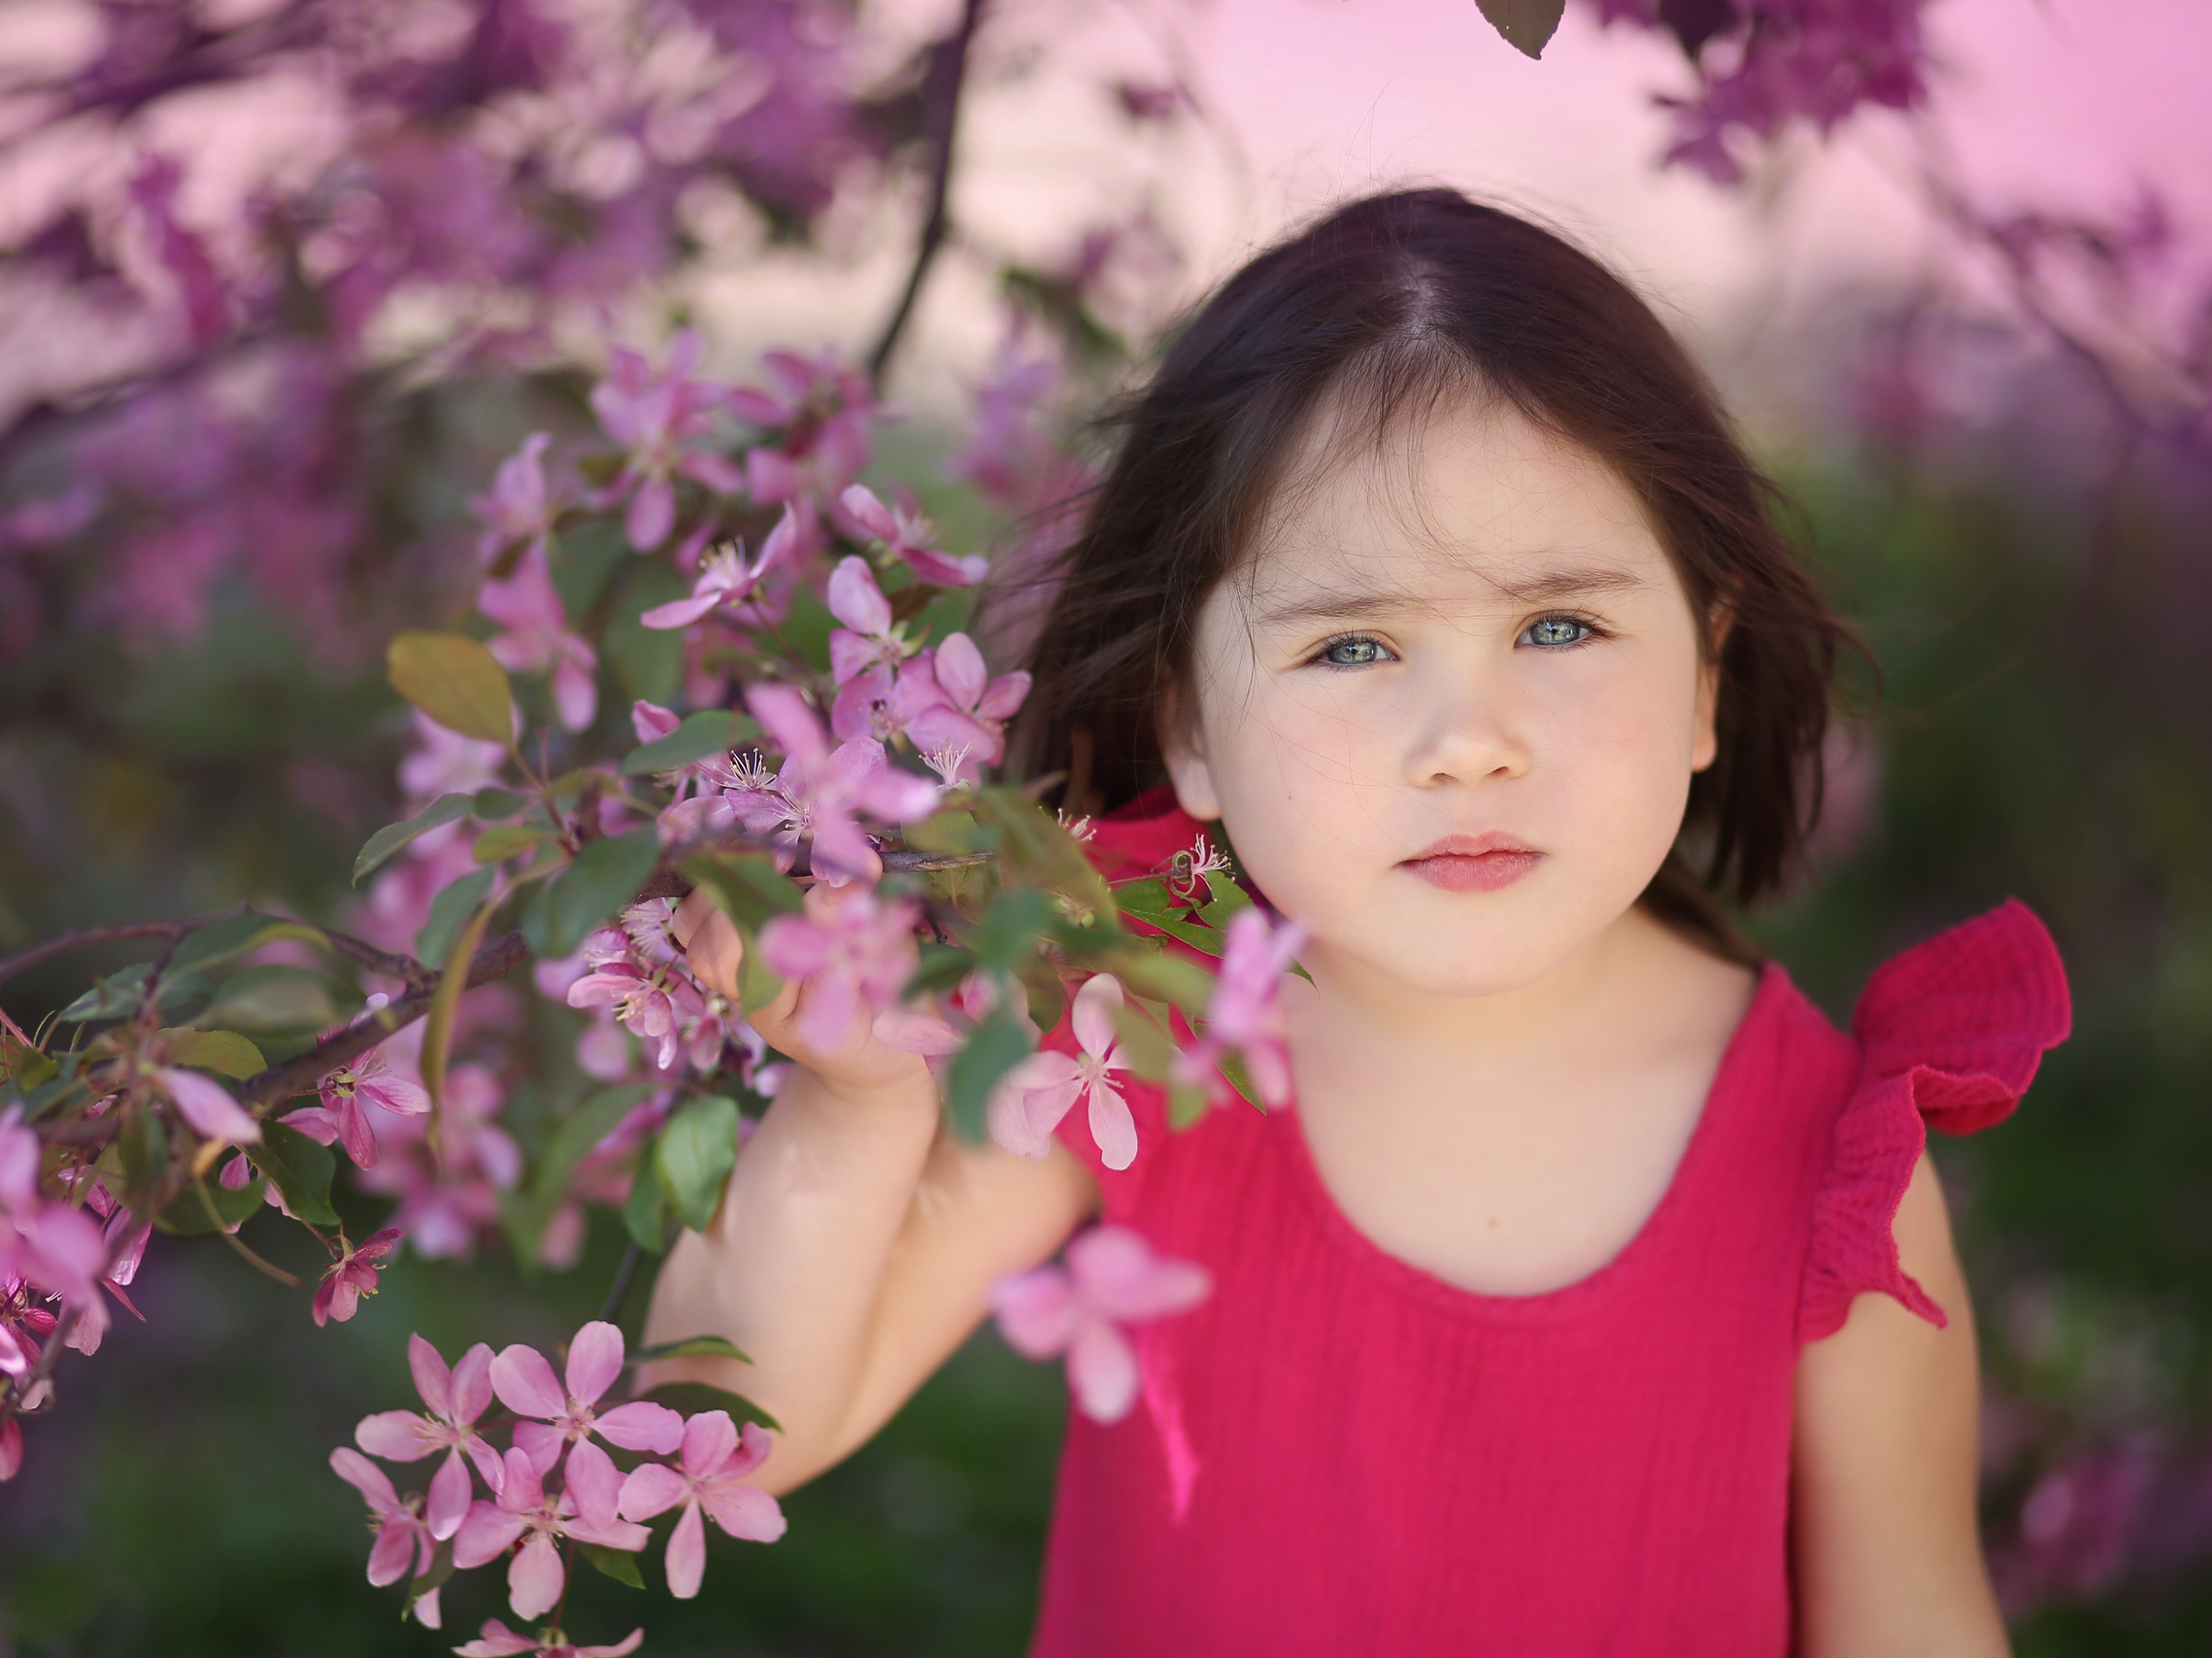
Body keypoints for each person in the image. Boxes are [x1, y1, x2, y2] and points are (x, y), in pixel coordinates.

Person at [641, 188, 2071, 1655]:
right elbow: (726, 1432)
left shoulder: (1832, 1171)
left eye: (1559, 628)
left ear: (1706, 678)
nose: (1469, 740)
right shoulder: (1128, 1020)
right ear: (1186, 722)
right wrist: (855, 1097)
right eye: (1353, 645)